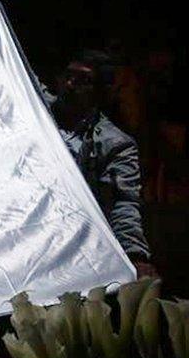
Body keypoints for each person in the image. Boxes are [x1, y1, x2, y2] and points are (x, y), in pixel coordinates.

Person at [40, 49, 156, 277]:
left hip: (70, 237)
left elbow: (123, 202)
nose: (71, 85)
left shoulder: (114, 144)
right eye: (69, 76)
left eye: (83, 81)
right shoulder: (37, 108)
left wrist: (135, 255)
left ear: (99, 92)